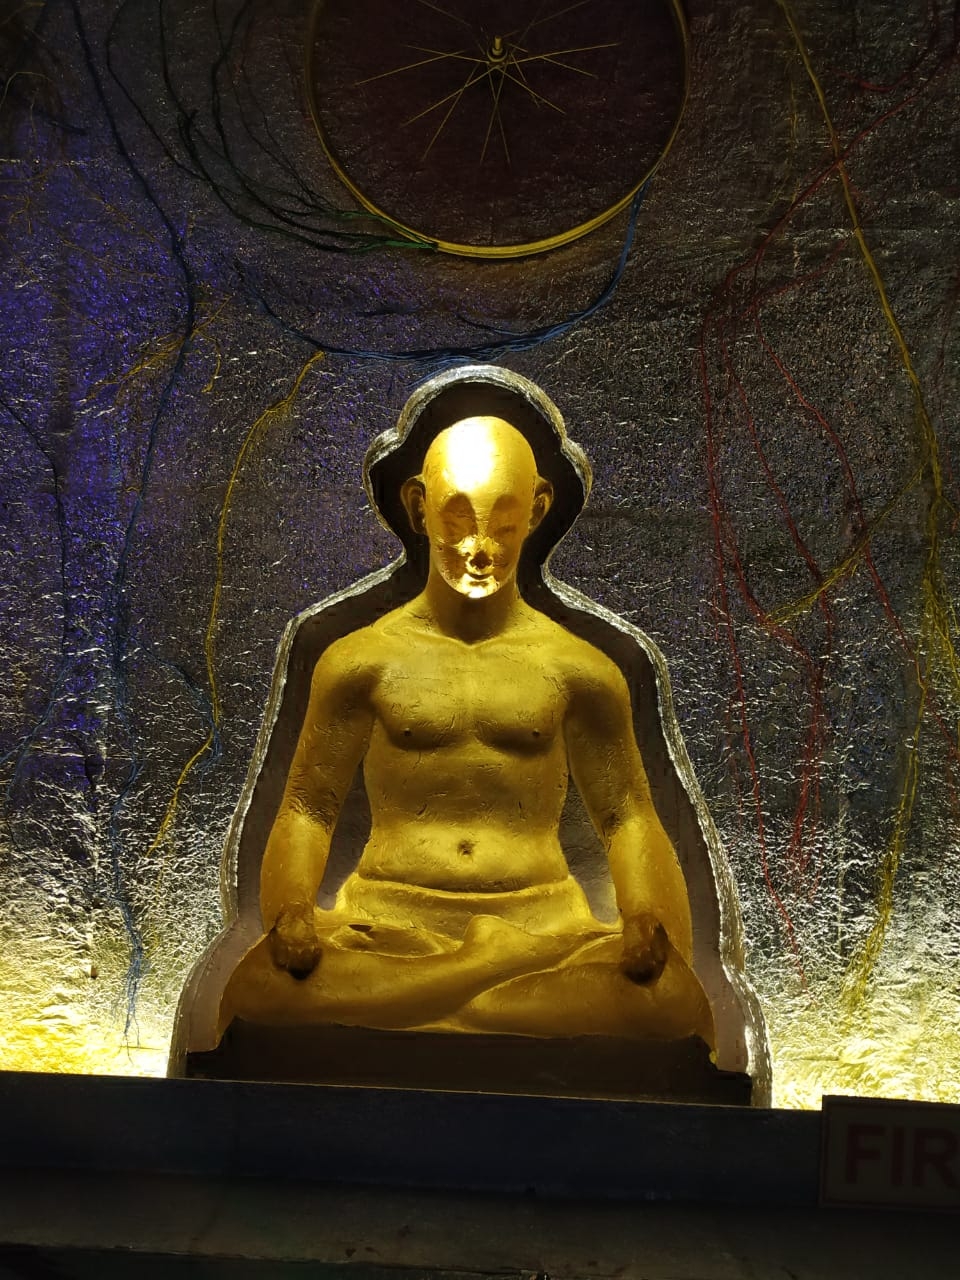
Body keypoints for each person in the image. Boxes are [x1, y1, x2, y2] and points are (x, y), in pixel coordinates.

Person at [220, 414, 713, 1045]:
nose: (480, 546)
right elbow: (307, 809)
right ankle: (485, 969)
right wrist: (292, 912)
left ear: (537, 510)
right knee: (260, 989)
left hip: (543, 927)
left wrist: (648, 923)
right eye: (457, 518)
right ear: (417, 507)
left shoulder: (579, 669)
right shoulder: (361, 660)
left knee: (668, 1001)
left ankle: (443, 991)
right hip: (387, 920)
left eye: (503, 520)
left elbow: (628, 817)